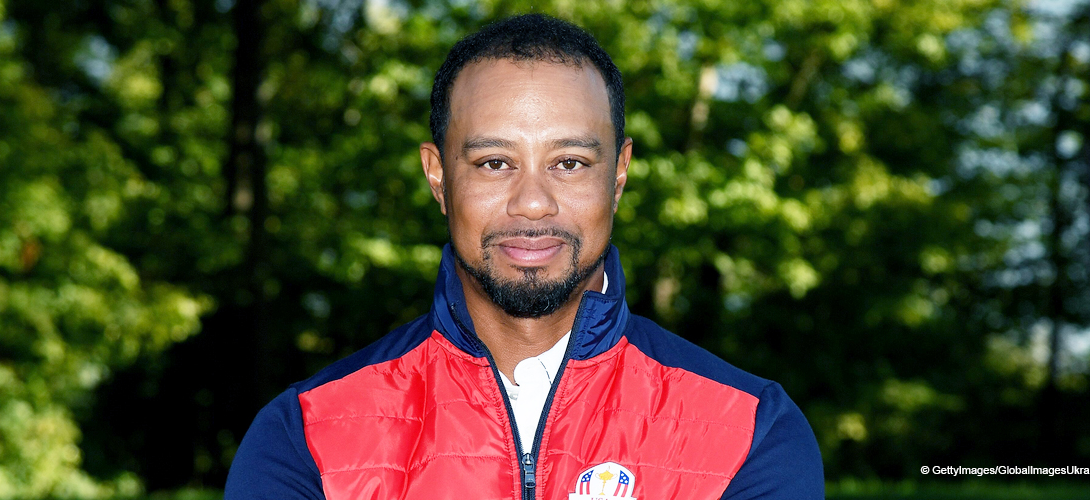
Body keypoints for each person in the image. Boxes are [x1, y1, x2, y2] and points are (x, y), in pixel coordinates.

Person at [224, 13, 823, 500]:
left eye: (569, 163)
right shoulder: (304, 437)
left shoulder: (751, 432)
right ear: (438, 178)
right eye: (493, 163)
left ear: (618, 175)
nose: (532, 203)